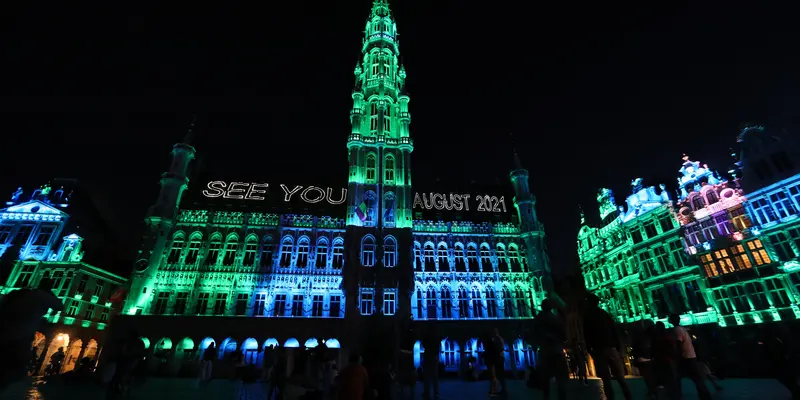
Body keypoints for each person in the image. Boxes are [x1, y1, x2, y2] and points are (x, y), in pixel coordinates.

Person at [0, 288, 63, 394]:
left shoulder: (18, 294)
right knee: (14, 372)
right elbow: (59, 305)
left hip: (5, 335)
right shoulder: (40, 296)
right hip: (17, 342)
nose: (45, 311)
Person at [582, 294, 632, 400]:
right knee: (619, 376)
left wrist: (590, 350)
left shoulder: (587, 316)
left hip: (598, 349)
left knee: (606, 378)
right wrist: (618, 347)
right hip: (611, 347)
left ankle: (611, 398)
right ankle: (628, 396)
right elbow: (614, 330)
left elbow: (587, 334)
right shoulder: (605, 314)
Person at [669, 314, 711, 400]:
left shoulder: (677, 330)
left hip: (686, 358)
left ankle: (677, 395)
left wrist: (678, 356)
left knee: (678, 377)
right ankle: (704, 395)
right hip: (691, 356)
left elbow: (679, 343)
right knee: (696, 378)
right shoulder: (683, 329)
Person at [532, 299, 569, 400]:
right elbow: (564, 335)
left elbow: (533, 335)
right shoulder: (556, 319)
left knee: (545, 381)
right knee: (560, 381)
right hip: (557, 351)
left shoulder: (538, 319)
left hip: (545, 353)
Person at [632, 323, 657, 400]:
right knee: (649, 377)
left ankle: (652, 391)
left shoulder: (641, 338)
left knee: (648, 378)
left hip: (643, 361)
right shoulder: (648, 338)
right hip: (646, 360)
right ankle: (652, 391)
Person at [422, 327, 440, 400]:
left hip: (428, 358)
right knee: (434, 377)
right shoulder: (435, 339)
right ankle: (435, 393)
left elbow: (424, 344)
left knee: (427, 377)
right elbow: (437, 349)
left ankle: (427, 392)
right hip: (433, 358)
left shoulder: (427, 338)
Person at [489, 328, 507, 396]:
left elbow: (499, 349)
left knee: (499, 375)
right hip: (499, 358)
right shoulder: (499, 338)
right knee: (499, 375)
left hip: (498, 358)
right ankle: (501, 389)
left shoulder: (497, 339)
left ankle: (502, 390)